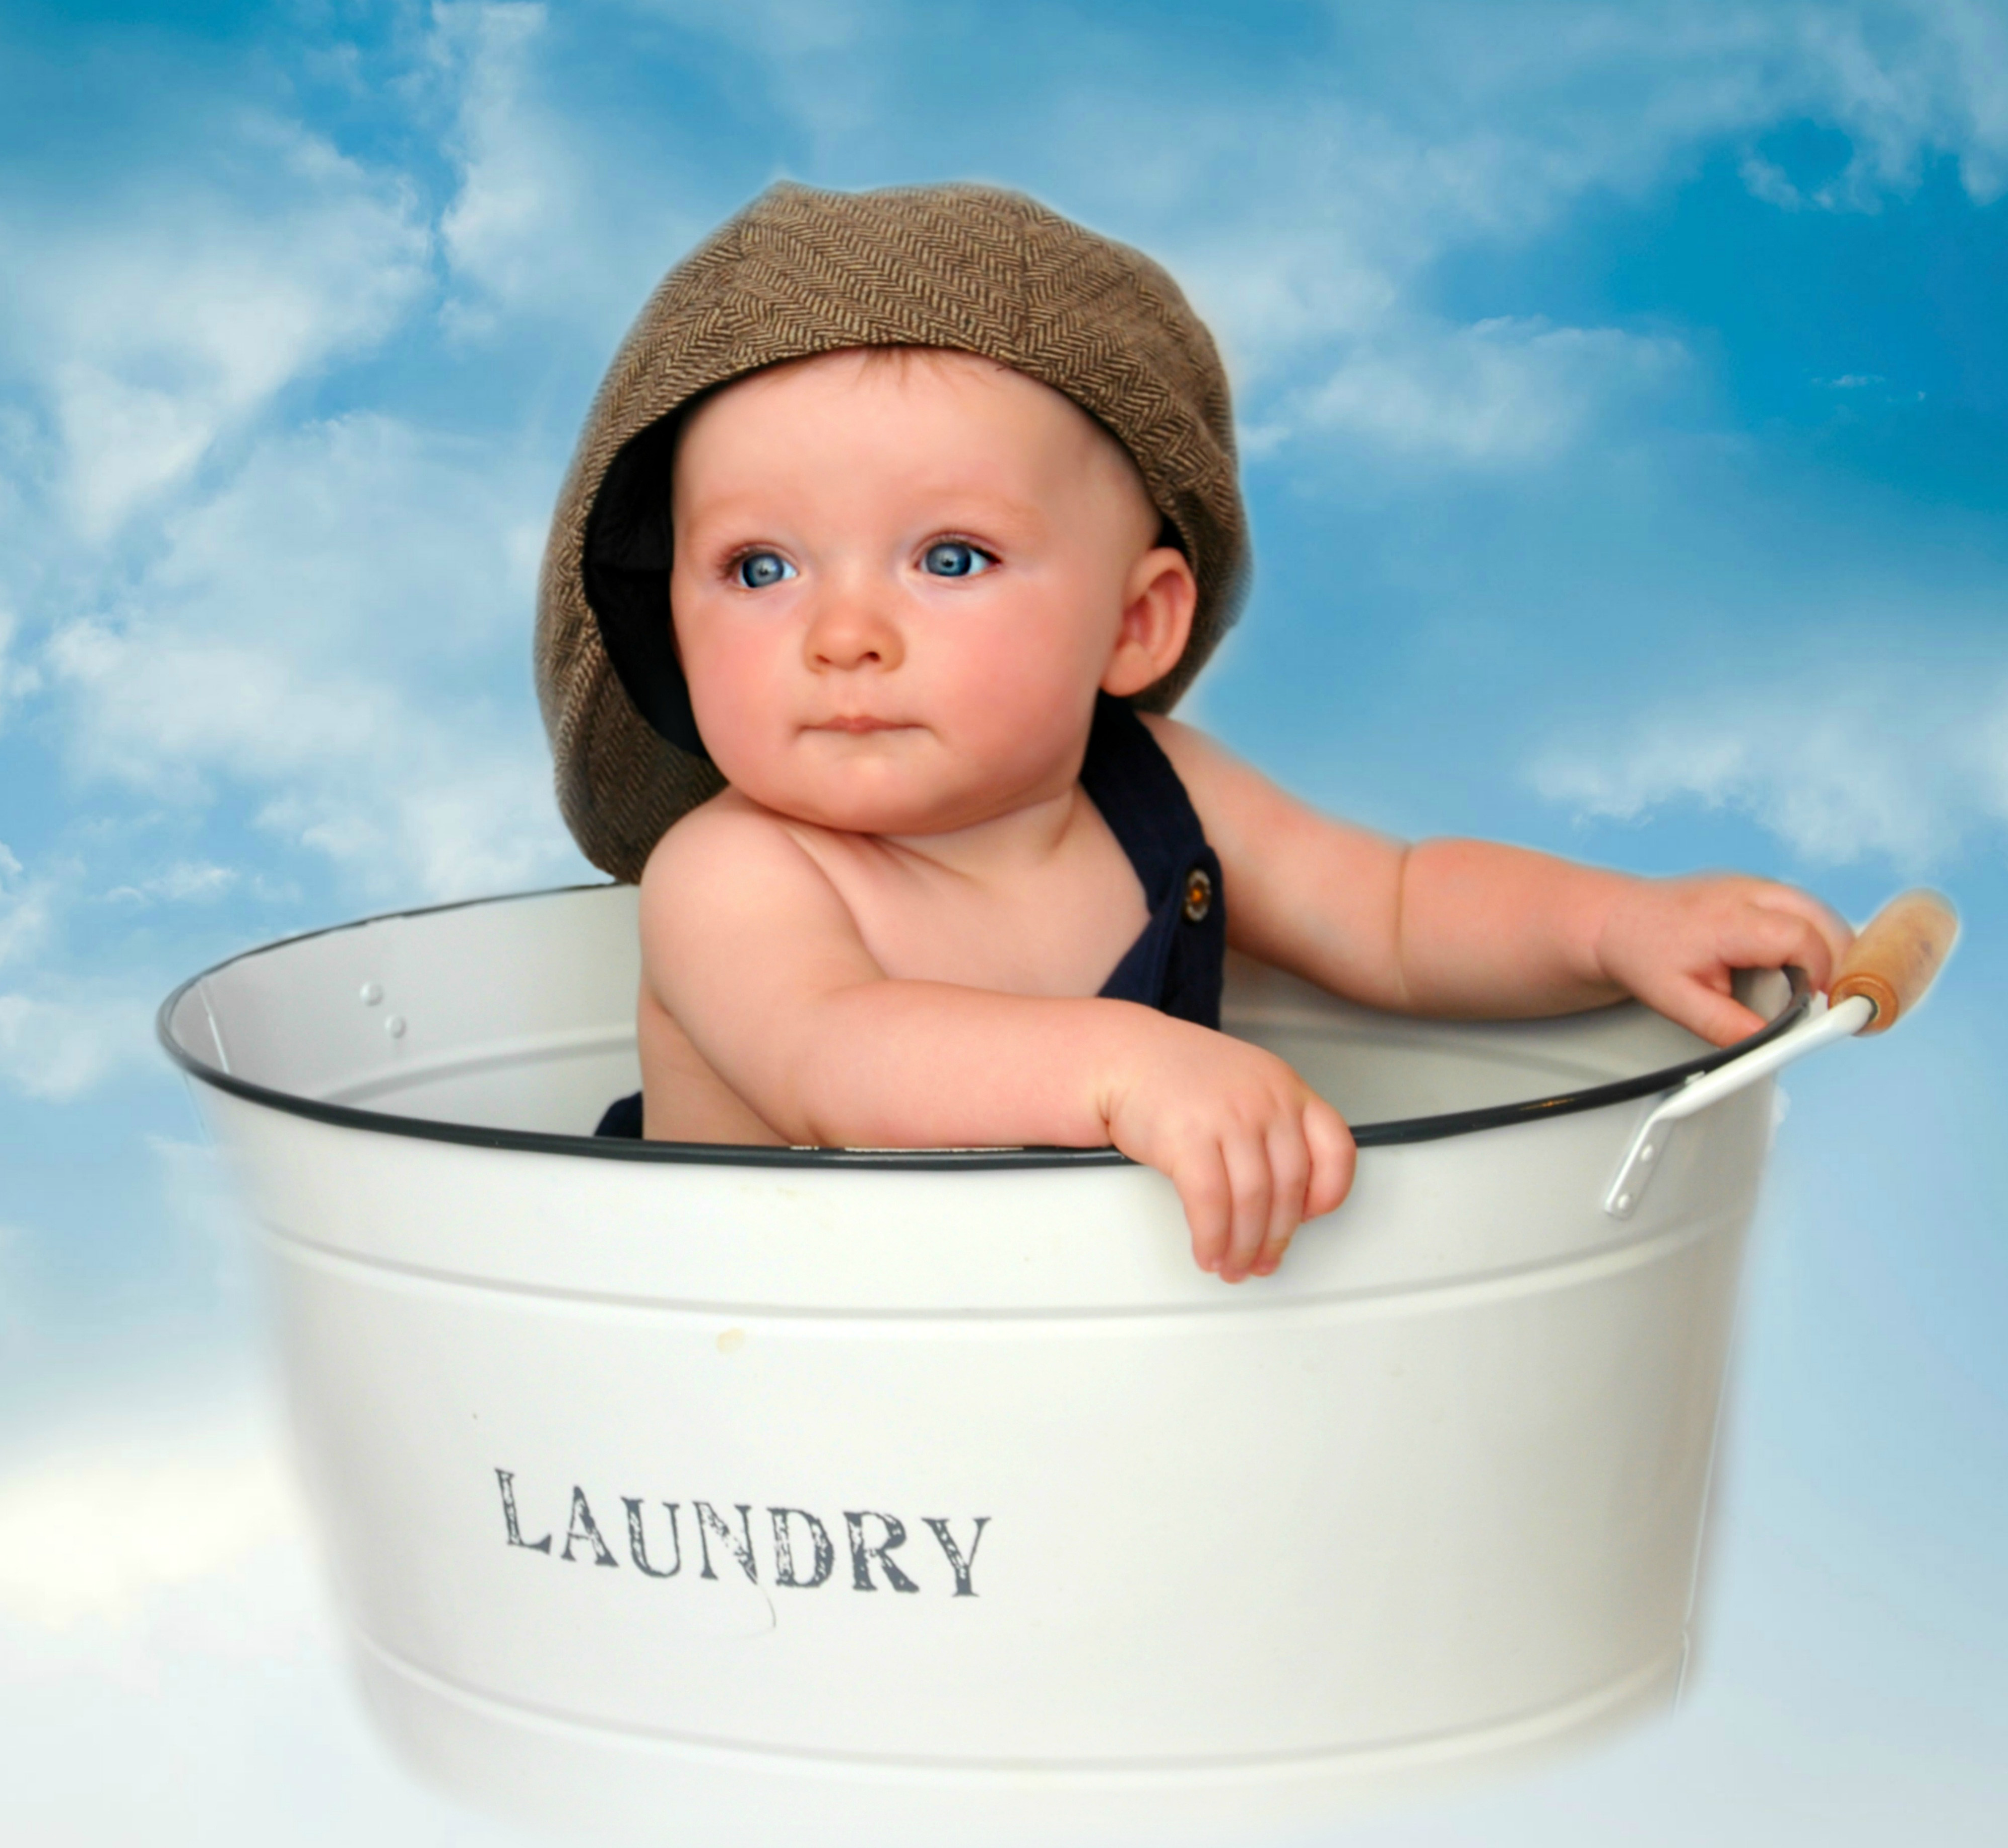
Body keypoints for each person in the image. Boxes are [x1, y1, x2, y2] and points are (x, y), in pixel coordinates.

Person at [535, 181, 1849, 1284]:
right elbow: (833, 1056)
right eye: (759, 568)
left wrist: (1613, 925)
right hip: (743, 1373)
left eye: (949, 555)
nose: (843, 632)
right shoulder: (738, 871)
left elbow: (1391, 911)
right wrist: (1124, 1064)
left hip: (1047, 1363)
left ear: (1137, 622)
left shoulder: (1152, 790)